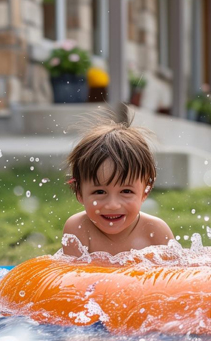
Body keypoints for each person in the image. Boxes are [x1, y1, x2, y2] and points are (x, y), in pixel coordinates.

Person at [61, 108, 174, 256]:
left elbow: (174, 277)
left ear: (145, 190)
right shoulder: (78, 229)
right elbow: (74, 278)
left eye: (126, 191)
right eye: (99, 192)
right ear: (79, 192)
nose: (113, 205)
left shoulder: (155, 231)